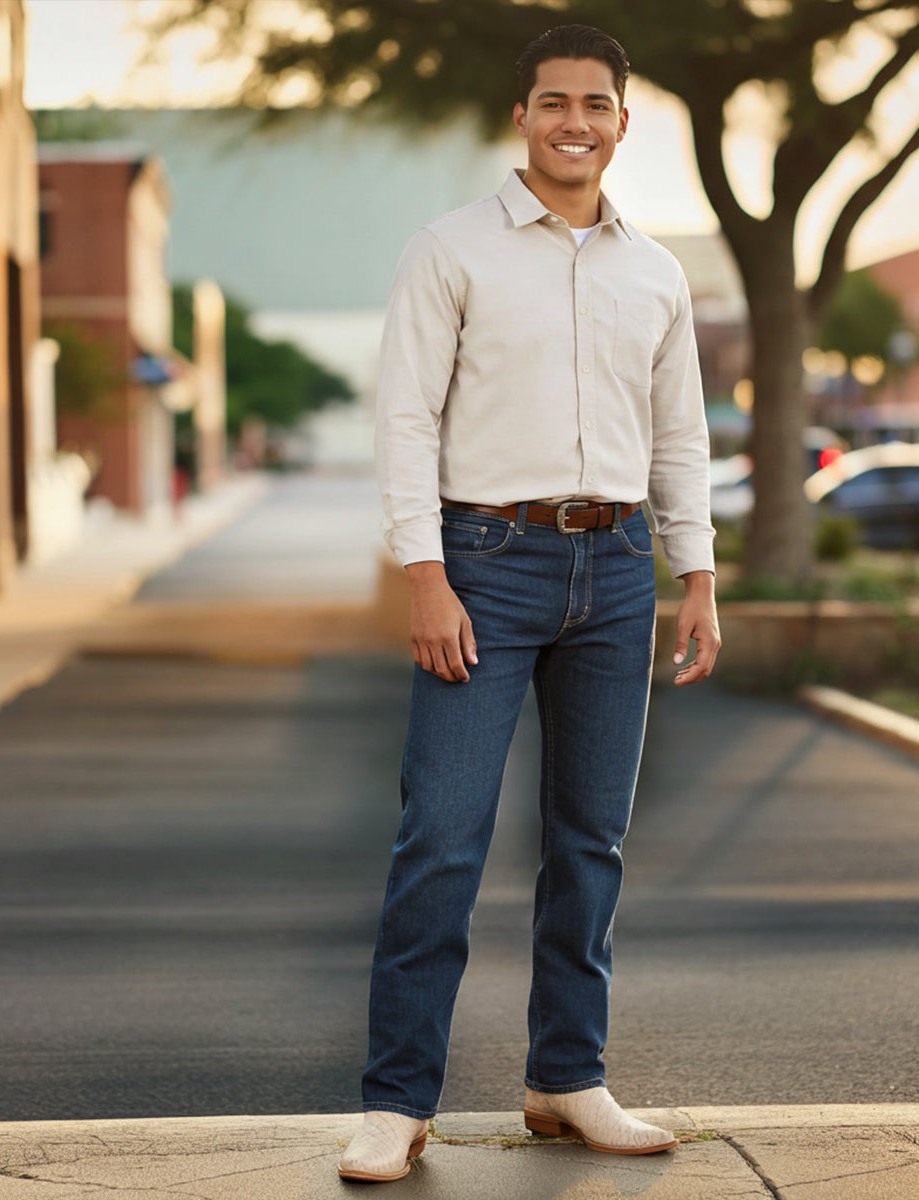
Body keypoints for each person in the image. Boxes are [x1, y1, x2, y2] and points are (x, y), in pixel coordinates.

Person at [339, 23, 720, 1183]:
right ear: (522, 117)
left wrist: (696, 576)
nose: (574, 122)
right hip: (482, 563)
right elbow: (405, 416)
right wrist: (424, 572)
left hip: (613, 574)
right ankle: (396, 1102)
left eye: (595, 105)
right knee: (442, 842)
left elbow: (679, 439)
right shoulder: (450, 251)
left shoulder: (655, 273)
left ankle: (568, 1076)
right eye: (553, 102)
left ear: (620, 122)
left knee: (590, 841)